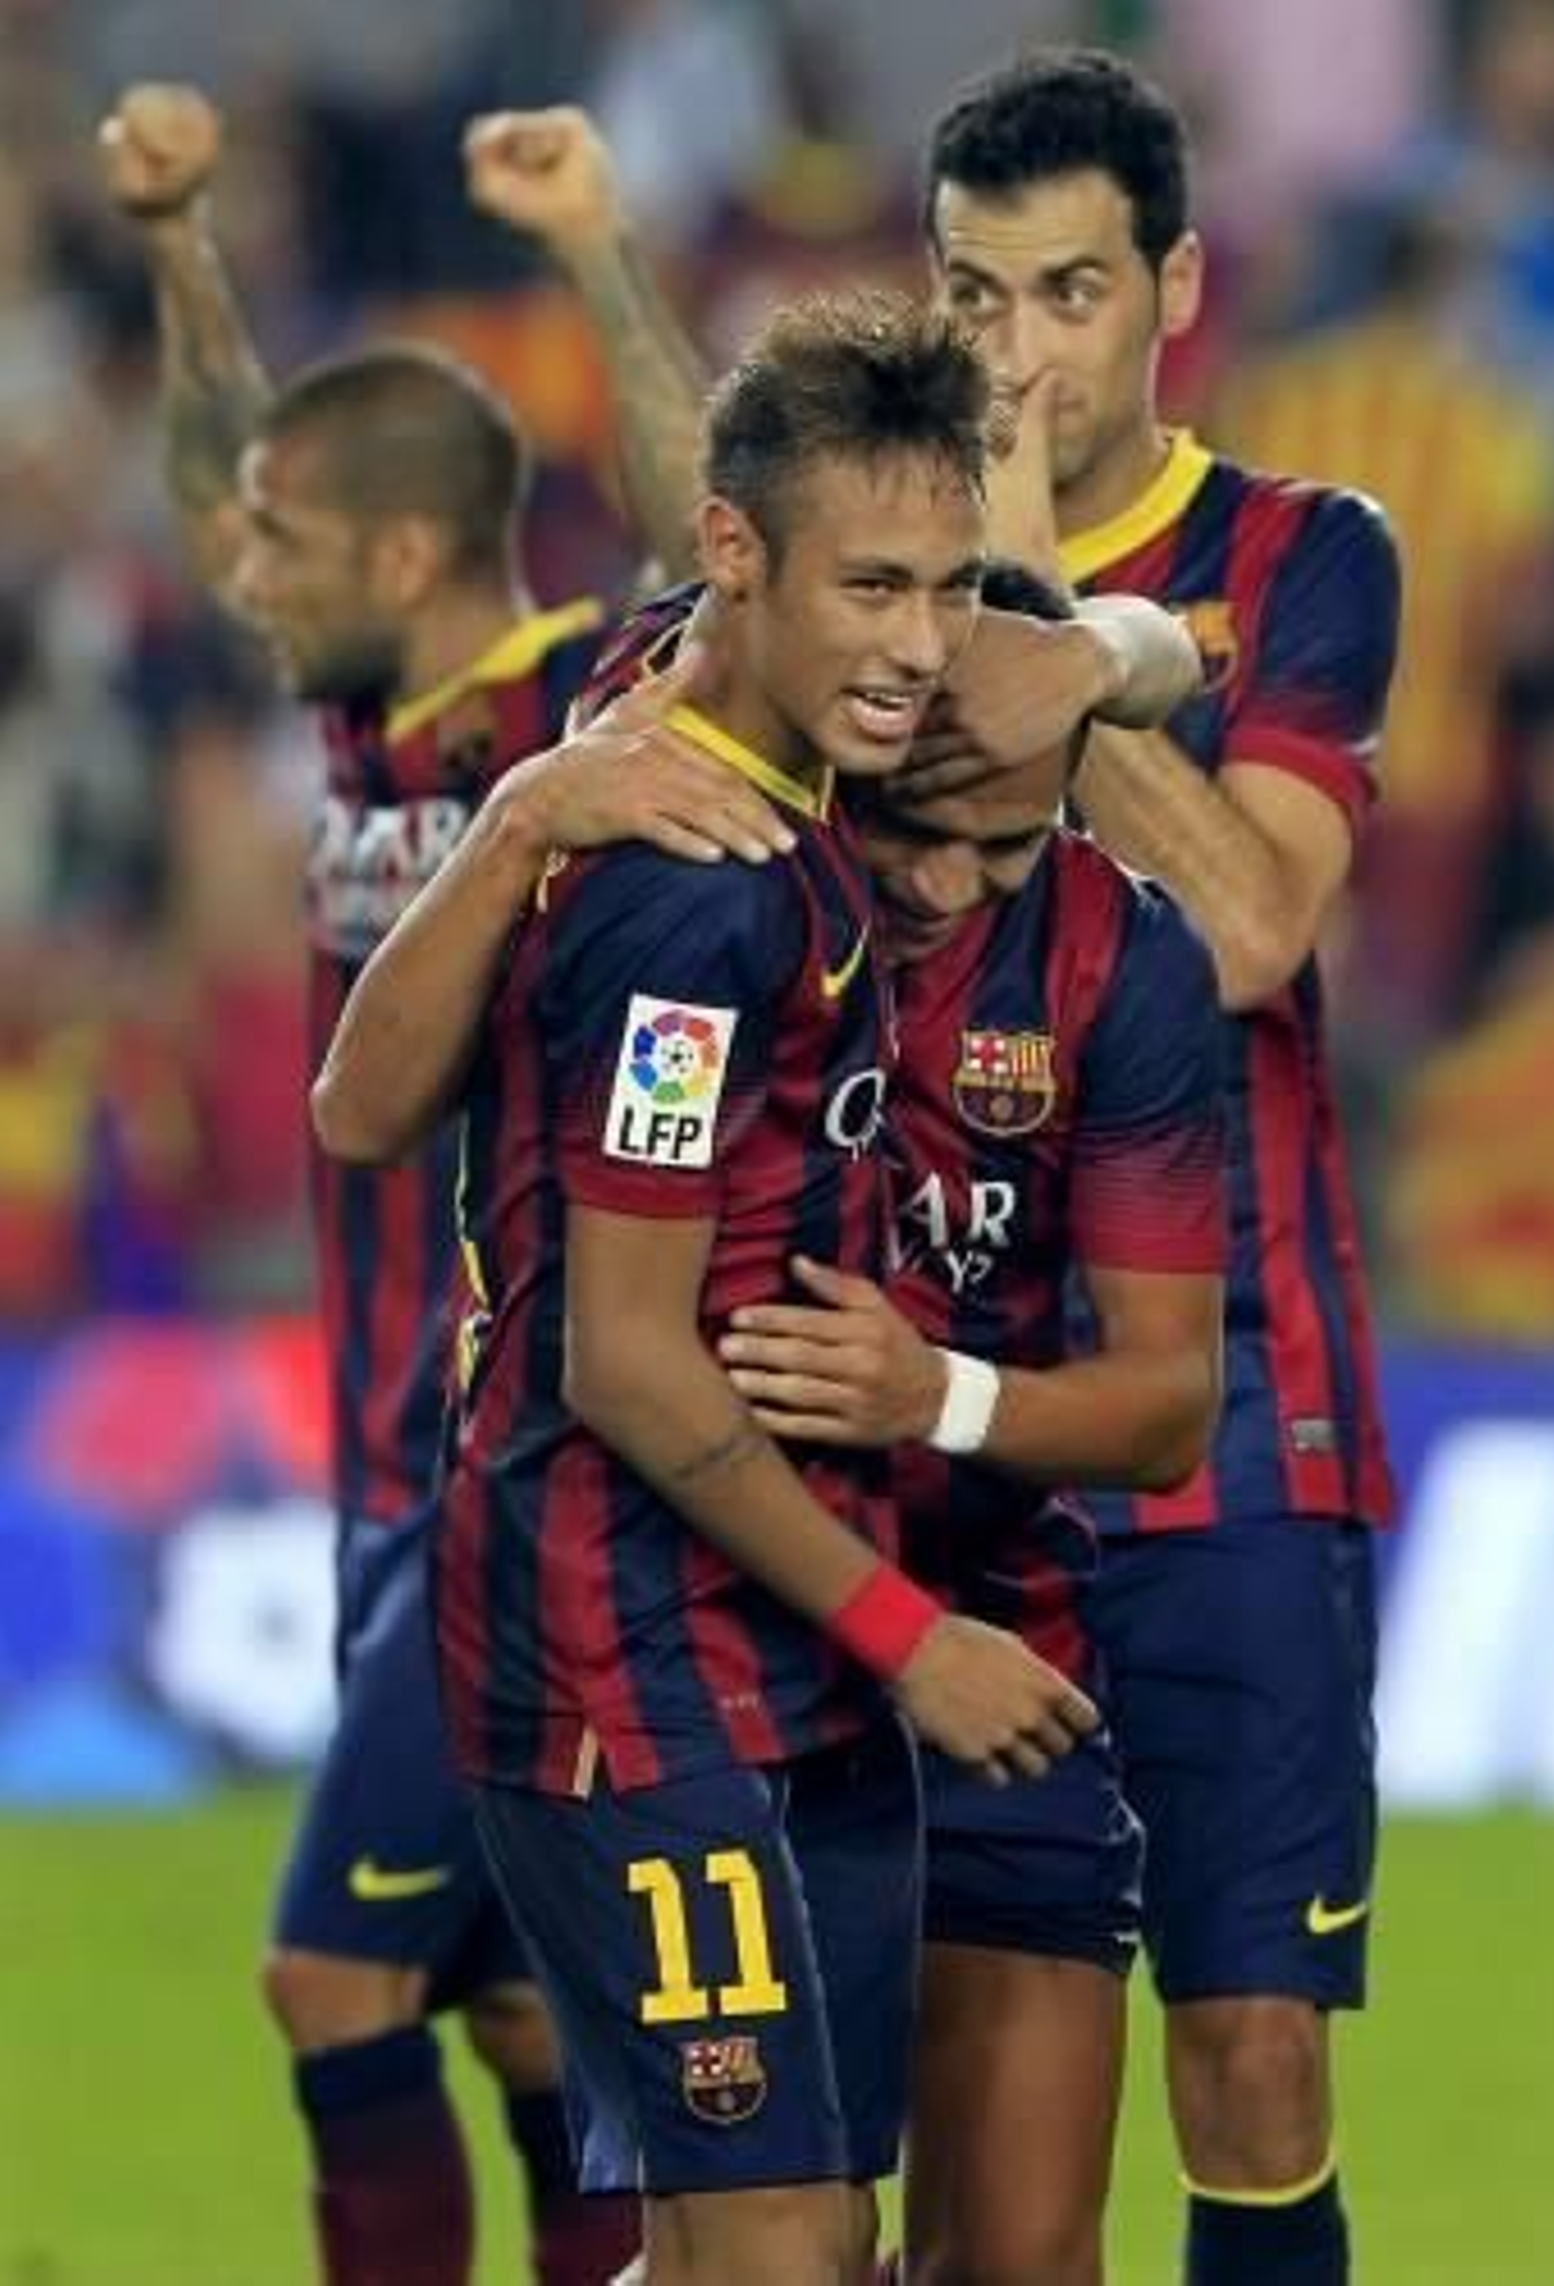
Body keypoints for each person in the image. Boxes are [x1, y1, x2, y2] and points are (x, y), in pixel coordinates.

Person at [318, 551, 1223, 2286]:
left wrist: (932, 1394)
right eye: (917, 834)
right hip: (708, 1631)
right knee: (785, 2241)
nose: (953, 889)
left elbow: (1168, 1403)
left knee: (991, 2259)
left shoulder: (1123, 960)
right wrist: (521, 808)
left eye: (1011, 847)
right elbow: (756, 508)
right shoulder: (699, 828)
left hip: (995, 1653)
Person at [97, 79, 799, 2286]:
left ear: (399, 555)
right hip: (383, 1472)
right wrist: (185, 239)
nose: (242, 566)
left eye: (290, 550)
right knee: (517, 2018)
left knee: (329, 1980)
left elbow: (721, 536)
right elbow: (235, 471)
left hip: (520, 1456)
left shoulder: (564, 722)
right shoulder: (358, 733)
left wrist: (598, 250)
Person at [908, 49, 1402, 2286]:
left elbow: (1257, 929)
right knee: (982, 2105)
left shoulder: (1301, 559)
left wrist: (1041, 629)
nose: (1015, 351)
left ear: (1174, 289)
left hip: (1230, 1425)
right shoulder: (865, 582)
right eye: (971, 293)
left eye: (1068, 291)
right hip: (933, 1446)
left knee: (1247, 2054)